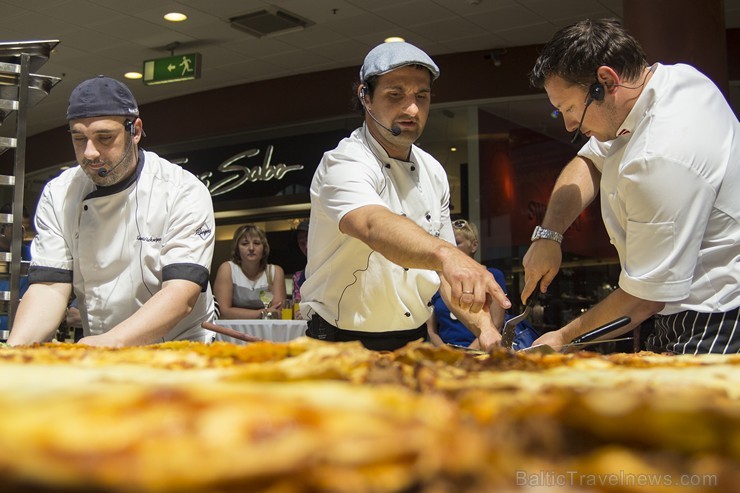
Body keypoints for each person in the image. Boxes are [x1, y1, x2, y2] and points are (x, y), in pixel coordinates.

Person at [522, 18, 739, 354]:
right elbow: (589, 161)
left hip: (715, 317)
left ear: (607, 81)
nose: (568, 125)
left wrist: (561, 338)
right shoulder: (675, 78)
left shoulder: (660, 155)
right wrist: (549, 235)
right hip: (677, 305)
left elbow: (644, 297)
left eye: (569, 109)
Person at [300, 41, 510, 351]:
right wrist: (447, 254)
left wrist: (485, 328)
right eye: (395, 95)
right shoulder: (343, 162)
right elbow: (373, 224)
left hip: (413, 343)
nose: (411, 109)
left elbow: (446, 277)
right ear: (365, 97)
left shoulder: (433, 171)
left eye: (421, 97)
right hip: (340, 345)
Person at [7, 75, 216, 347]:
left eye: (104, 137)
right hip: (102, 347)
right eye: (79, 138)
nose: (90, 152)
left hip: (179, 349)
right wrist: (14, 351)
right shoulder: (59, 193)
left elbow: (181, 294)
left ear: (136, 130)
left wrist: (108, 342)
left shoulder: (182, 190)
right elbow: (50, 287)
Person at [427, 219, 538, 350]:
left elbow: (496, 324)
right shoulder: (438, 280)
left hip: (481, 352)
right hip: (445, 356)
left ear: (474, 246)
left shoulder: (491, 276)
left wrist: (467, 354)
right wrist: (446, 353)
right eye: (448, 244)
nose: (452, 249)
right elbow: (431, 330)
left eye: (457, 243)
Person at [213, 224, 286, 319]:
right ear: (237, 249)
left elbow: (277, 312)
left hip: (266, 330)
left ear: (264, 248)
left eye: (256, 243)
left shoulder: (276, 271)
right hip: (232, 330)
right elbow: (223, 311)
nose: (251, 248)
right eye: (245, 244)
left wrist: (237, 312)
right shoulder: (227, 269)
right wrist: (263, 313)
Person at [292, 219, 309, 319]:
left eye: (309, 240)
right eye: (302, 243)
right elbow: (298, 308)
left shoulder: (333, 266)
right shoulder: (298, 276)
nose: (306, 247)